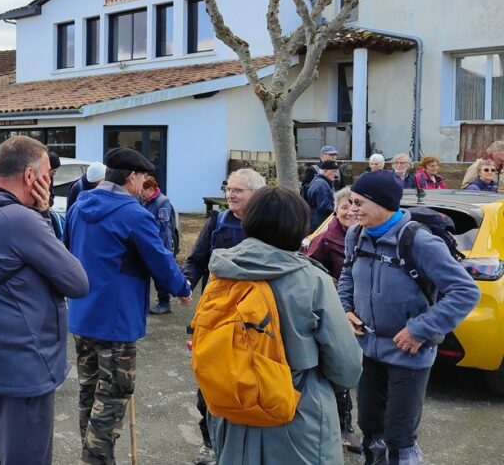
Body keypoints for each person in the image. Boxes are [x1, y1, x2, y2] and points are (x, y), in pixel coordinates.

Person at [206, 186, 363, 465]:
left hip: (233, 404)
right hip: (297, 412)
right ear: (299, 228)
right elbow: (346, 366)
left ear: (248, 220)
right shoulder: (313, 281)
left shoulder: (221, 271)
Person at [0, 135, 89, 465]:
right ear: (31, 177)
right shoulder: (20, 220)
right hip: (24, 368)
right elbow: (77, 281)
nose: (51, 181)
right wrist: (44, 213)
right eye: (48, 174)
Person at [339, 171, 480, 464]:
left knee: (399, 436)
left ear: (382, 204)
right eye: (351, 202)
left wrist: (420, 329)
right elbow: (347, 275)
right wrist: (346, 309)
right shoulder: (356, 234)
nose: (352, 209)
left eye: (358, 202)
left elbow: (465, 292)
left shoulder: (420, 242)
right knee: (370, 427)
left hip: (410, 354)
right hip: (369, 349)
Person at [66, 147, 191, 464]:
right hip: (116, 321)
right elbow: (161, 259)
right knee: (114, 393)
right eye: (142, 178)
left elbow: (66, 249)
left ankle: (91, 450)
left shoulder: (80, 205)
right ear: (132, 177)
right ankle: (96, 459)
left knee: (89, 389)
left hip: (82, 313)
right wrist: (181, 287)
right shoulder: (134, 214)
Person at [182, 167, 265, 465]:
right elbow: (197, 260)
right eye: (228, 188)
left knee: (252, 383)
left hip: (255, 322)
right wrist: (185, 285)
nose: (230, 194)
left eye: (238, 190)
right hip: (216, 318)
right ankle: (210, 443)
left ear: (255, 195)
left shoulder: (268, 226)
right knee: (210, 383)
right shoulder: (217, 221)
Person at [306, 187, 362, 453]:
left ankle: (348, 426)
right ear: (336, 211)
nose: (350, 211)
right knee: (339, 372)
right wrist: (331, 285)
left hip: (362, 315)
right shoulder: (327, 239)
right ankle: (341, 427)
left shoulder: (366, 236)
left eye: (354, 206)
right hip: (336, 314)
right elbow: (309, 268)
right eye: (344, 207)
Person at [141, 175, 179, 315]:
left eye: (143, 191)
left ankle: (165, 302)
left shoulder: (162, 202)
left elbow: (162, 223)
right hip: (148, 241)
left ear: (151, 189)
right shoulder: (145, 201)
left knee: (160, 273)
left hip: (161, 242)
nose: (141, 194)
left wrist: (144, 227)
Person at [308, 160, 340, 231]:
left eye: (337, 171)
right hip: (318, 225)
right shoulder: (321, 185)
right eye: (334, 171)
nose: (336, 174)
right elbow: (324, 207)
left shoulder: (323, 182)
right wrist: (339, 209)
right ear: (325, 171)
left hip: (318, 223)